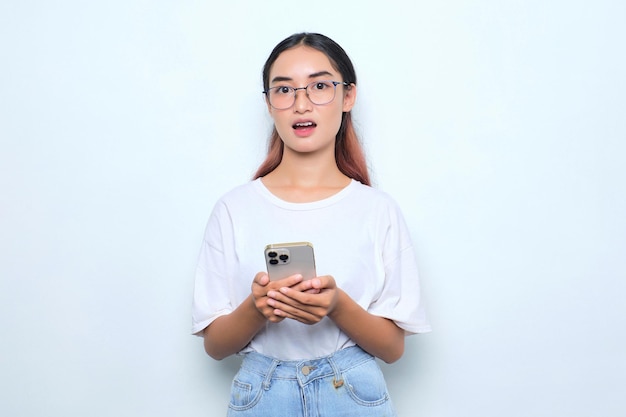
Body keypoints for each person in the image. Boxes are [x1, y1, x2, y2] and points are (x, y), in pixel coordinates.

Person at [192, 32, 431, 417]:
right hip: (262, 395)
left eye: (320, 86)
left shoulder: (377, 210)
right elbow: (215, 347)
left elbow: (393, 349)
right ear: (269, 104)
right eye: (284, 90)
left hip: (352, 394)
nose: (301, 104)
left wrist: (336, 305)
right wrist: (258, 307)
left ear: (348, 96)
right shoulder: (234, 209)